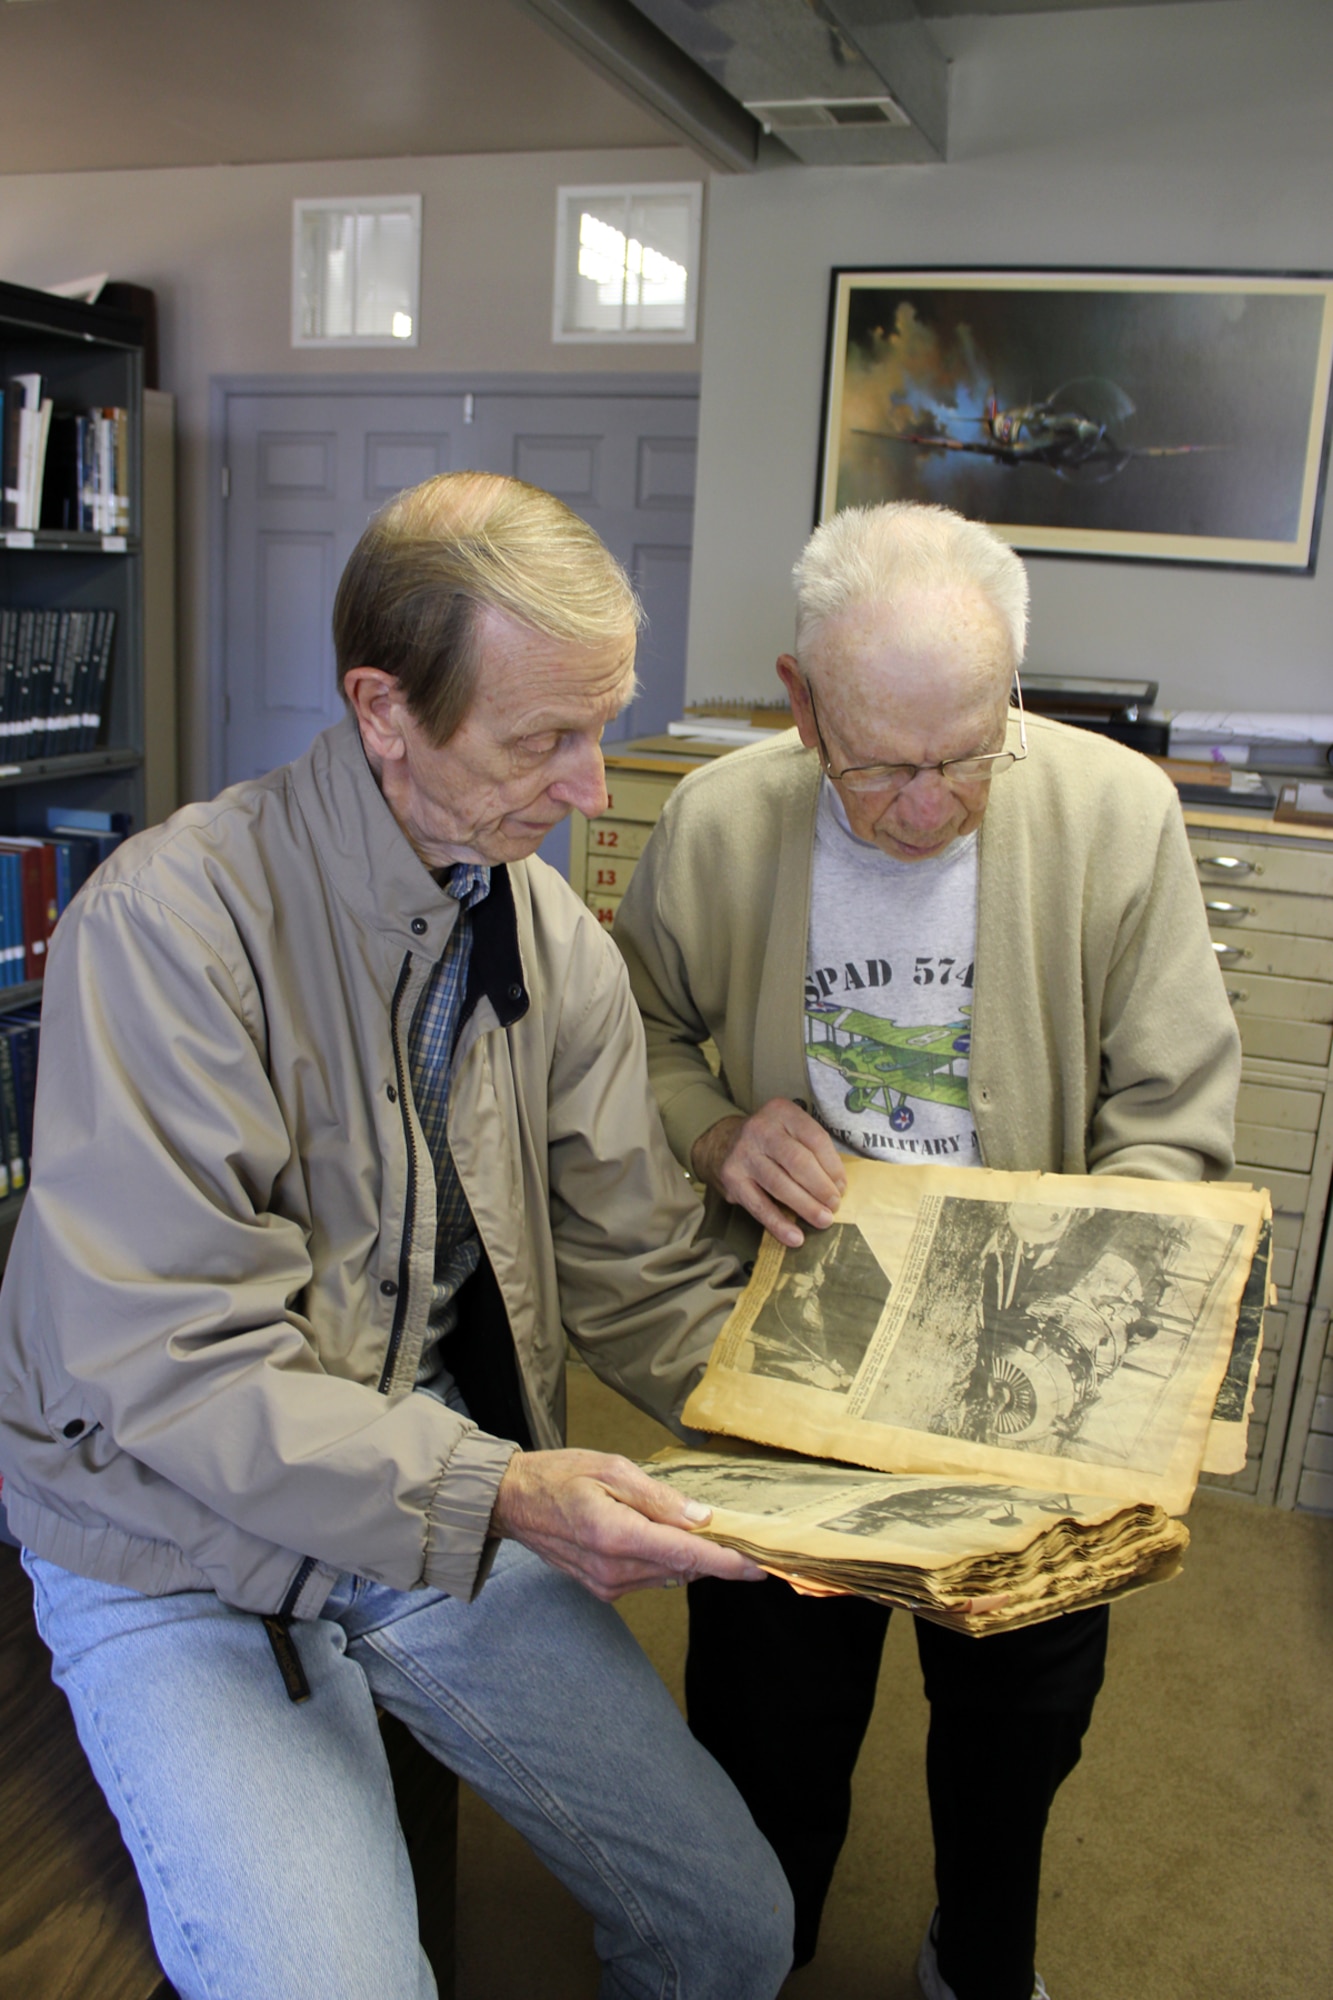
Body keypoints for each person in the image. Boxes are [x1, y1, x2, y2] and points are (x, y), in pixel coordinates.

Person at [0, 473, 795, 2000]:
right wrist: (501, 1492)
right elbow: (178, 1370)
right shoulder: (169, 923)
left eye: (602, 724)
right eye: (540, 739)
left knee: (729, 1930)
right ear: (383, 711)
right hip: (167, 1533)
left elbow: (631, 1261)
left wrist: (838, 1423)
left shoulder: (545, 931)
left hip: (418, 1473)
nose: (588, 788)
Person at [612, 500, 1241, 2000]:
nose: (928, 802)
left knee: (1020, 1708)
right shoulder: (720, 818)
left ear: (1010, 692)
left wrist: (1077, 1259)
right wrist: (713, 1127)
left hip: (1028, 1354)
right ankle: (751, 1955)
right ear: (798, 700)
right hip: (797, 1348)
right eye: (883, 764)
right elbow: (625, 1035)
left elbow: (1170, 1109)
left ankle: (979, 1951)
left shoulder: (1113, 812)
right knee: (768, 1719)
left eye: (968, 752)